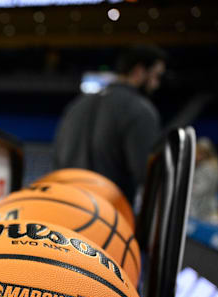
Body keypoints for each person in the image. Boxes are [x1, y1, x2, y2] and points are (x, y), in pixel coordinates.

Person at [53, 45, 167, 204]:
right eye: (156, 76)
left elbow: (57, 160)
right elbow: (147, 175)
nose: (156, 84)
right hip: (110, 216)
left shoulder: (76, 106)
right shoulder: (140, 109)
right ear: (139, 71)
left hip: (65, 210)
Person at [190, 137, 218, 223]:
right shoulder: (208, 165)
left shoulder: (208, 167)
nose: (197, 156)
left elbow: (200, 189)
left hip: (207, 210)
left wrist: (187, 187)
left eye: (200, 153)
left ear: (207, 153)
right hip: (203, 207)